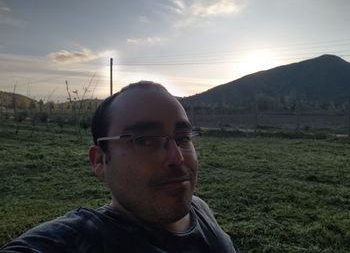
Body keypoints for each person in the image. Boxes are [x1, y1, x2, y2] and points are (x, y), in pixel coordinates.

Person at [1, 81, 236, 252]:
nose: (177, 157)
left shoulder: (199, 208)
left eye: (183, 138)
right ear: (100, 160)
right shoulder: (77, 241)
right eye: (146, 141)